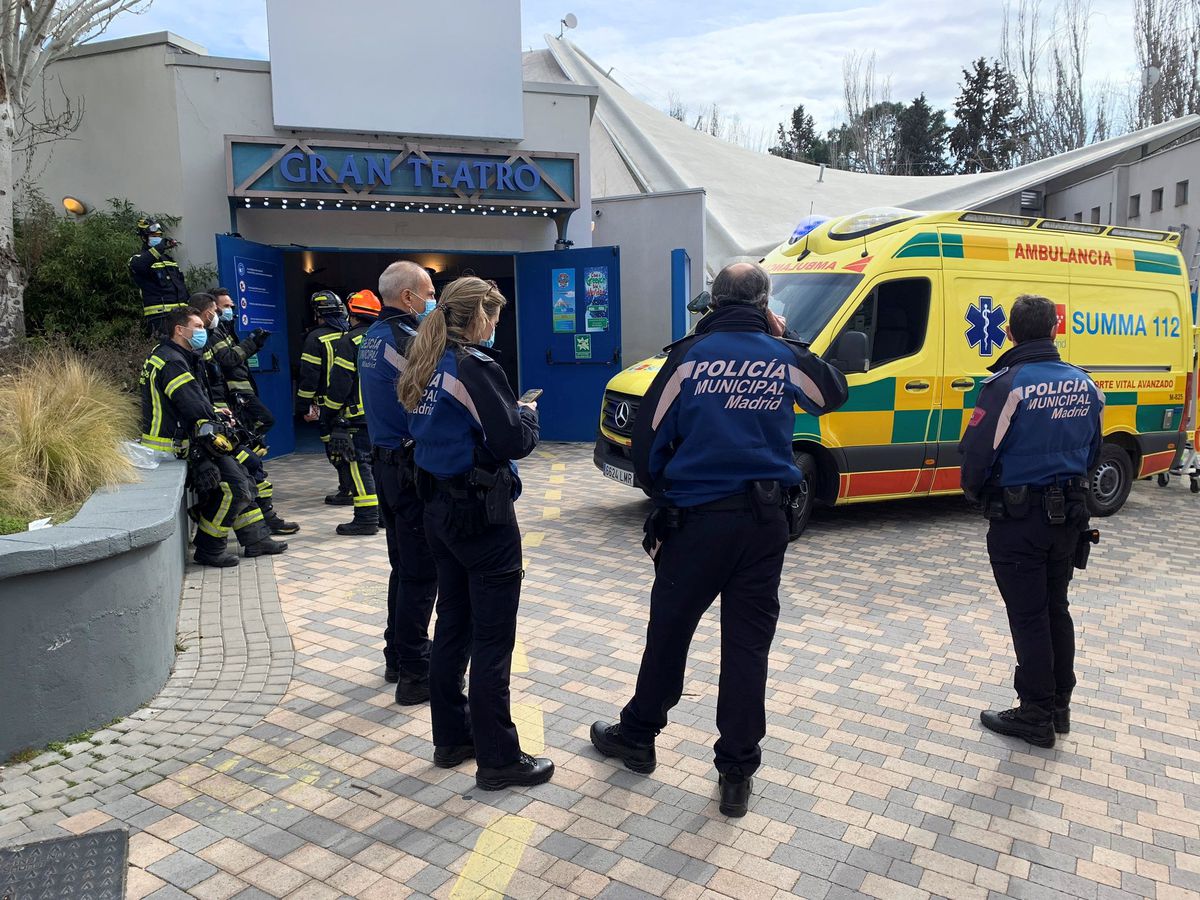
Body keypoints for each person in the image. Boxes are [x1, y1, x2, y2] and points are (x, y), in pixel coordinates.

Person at [589, 262, 849, 817]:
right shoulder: (781, 356)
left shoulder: (687, 357)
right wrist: (787, 336)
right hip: (764, 524)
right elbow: (831, 394)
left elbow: (647, 438)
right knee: (747, 647)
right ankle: (736, 770)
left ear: (714, 301)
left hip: (696, 524)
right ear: (763, 304)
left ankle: (637, 737)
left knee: (670, 633)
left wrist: (665, 500)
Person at [396, 276, 553, 791]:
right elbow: (510, 440)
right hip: (482, 518)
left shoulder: (427, 361)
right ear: (480, 317)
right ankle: (499, 758)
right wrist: (528, 415)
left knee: (454, 626)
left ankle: (453, 738)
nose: (496, 326)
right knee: (491, 640)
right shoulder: (473, 366)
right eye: (495, 316)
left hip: (439, 511)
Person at [959, 294, 1104, 749]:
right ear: (1055, 330)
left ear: (1010, 332)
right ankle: (1059, 705)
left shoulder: (1008, 385)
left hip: (1020, 519)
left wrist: (977, 493)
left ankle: (1036, 713)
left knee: (1029, 616)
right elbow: (1093, 451)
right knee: (1056, 607)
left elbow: (977, 455)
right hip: (1070, 516)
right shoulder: (1085, 384)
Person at [139, 307, 288, 566]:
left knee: (246, 471)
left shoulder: (175, 355)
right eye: (197, 326)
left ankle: (255, 538)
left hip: (190, 438)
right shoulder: (173, 361)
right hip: (179, 445)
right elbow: (192, 406)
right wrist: (215, 430)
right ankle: (209, 548)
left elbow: (197, 401)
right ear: (179, 330)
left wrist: (219, 415)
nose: (202, 331)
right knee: (235, 488)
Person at [359, 261, 440, 703]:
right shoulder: (408, 342)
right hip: (409, 467)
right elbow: (430, 403)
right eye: (429, 292)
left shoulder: (371, 337)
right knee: (421, 571)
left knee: (404, 565)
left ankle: (396, 653)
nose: (434, 301)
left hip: (385, 463)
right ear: (408, 297)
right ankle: (414, 671)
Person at [192, 293, 298, 537]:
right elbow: (226, 363)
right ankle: (257, 528)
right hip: (219, 415)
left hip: (222, 412)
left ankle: (262, 525)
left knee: (250, 465)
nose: (228, 312)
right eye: (223, 308)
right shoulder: (209, 339)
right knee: (249, 463)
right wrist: (253, 342)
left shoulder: (220, 332)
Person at [322, 289, 383, 536]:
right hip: (385, 416)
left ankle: (366, 518)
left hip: (358, 418)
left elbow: (340, 383)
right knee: (381, 466)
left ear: (352, 315)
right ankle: (383, 516)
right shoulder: (386, 336)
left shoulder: (350, 341)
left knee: (360, 465)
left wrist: (329, 413)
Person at [296, 291, 353, 505]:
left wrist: (302, 405)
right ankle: (353, 486)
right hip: (353, 403)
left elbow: (309, 376)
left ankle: (347, 489)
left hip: (327, 404)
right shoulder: (351, 333)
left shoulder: (314, 338)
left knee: (334, 448)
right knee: (353, 445)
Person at [206, 287, 276, 436]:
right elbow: (228, 359)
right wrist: (251, 342)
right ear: (214, 308)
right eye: (226, 306)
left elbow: (237, 356)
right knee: (264, 421)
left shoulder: (226, 329)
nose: (230, 309)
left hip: (241, 389)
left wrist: (256, 344)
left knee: (250, 426)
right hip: (233, 390)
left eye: (231, 306)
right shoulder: (214, 333)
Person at [129, 219, 189, 337]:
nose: (157, 238)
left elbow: (181, 287)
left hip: (181, 316)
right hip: (160, 319)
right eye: (153, 235)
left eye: (159, 235)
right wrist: (160, 248)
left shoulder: (169, 260)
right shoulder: (137, 259)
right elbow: (140, 265)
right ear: (143, 238)